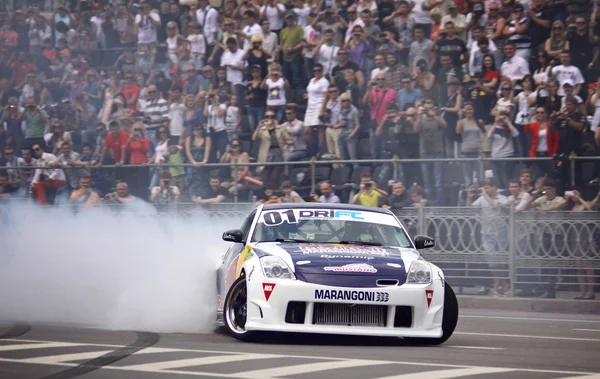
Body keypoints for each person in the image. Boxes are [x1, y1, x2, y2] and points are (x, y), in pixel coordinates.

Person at [466, 178, 509, 297]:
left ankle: (500, 285)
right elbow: (469, 210)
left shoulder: (503, 198)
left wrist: (484, 195)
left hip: (501, 233)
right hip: (486, 233)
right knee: (492, 260)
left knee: (500, 260)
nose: (485, 190)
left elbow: (495, 206)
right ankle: (501, 284)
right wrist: (469, 197)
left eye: (487, 188)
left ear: (495, 187)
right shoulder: (482, 198)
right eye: (484, 188)